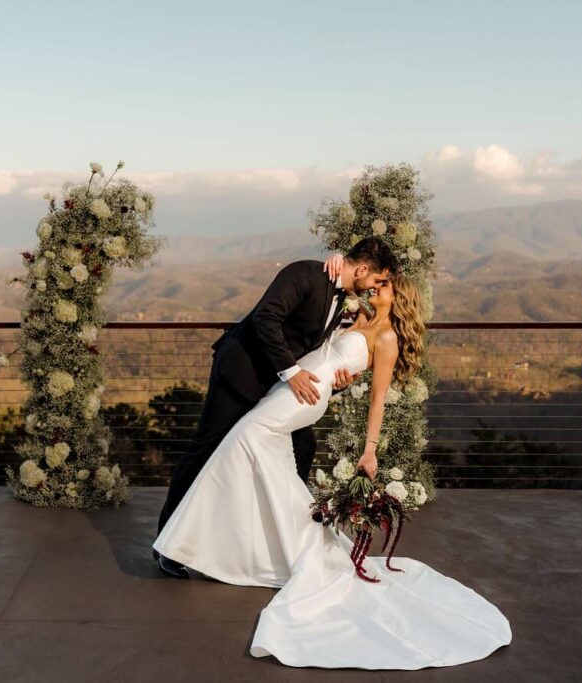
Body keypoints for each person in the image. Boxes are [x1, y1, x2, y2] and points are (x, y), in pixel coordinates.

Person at [152, 270, 512, 669]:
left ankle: (206, 542)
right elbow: (318, 352)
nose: (377, 288)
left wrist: (369, 452)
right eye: (378, 282)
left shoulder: (387, 338)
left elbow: (378, 400)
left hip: (305, 399)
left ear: (400, 296)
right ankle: (258, 546)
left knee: (242, 441)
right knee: (265, 463)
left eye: (386, 286)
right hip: (289, 389)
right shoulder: (353, 317)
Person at [153, 237, 398, 579]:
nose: (374, 287)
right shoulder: (305, 274)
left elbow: (324, 353)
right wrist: (293, 373)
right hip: (241, 373)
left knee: (303, 445)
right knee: (206, 448)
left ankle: (275, 538)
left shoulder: (344, 297)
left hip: (277, 388)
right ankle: (168, 545)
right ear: (361, 270)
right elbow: (265, 318)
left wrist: (338, 382)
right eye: (375, 280)